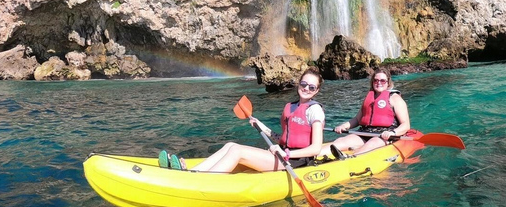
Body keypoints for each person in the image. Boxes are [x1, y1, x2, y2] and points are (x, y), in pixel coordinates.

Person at [162, 67, 325, 173]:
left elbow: (316, 149)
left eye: (312, 87)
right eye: (304, 84)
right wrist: (259, 124)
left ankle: (200, 179)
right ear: (299, 83)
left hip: (298, 161)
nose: (306, 88)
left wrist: (287, 153)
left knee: (237, 151)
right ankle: (191, 172)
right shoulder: (291, 107)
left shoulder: (315, 111)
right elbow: (281, 137)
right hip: (283, 154)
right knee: (230, 145)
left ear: (316, 91)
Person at [324, 67, 409, 157]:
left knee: (372, 143)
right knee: (340, 141)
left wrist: (393, 133)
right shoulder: (369, 98)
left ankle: (350, 158)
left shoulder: (395, 99)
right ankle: (314, 156)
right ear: (372, 82)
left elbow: (405, 125)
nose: (378, 83)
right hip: (365, 132)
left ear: (388, 83)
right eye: (375, 80)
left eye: (382, 81)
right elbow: (357, 119)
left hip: (384, 135)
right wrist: (344, 126)